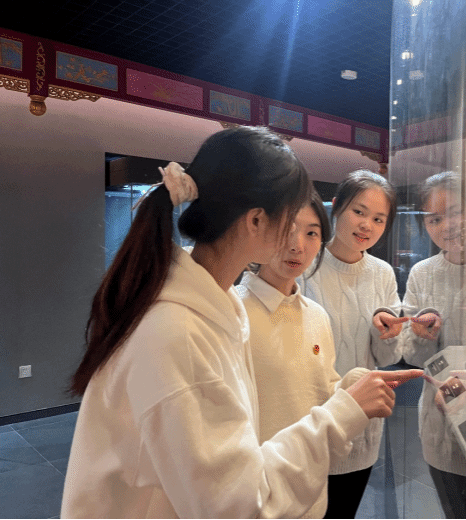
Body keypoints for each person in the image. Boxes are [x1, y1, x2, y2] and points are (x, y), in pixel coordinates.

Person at [61, 126, 421, 519]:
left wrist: (345, 394)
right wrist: (341, 414)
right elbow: (237, 504)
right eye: (291, 218)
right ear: (257, 220)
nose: (297, 241)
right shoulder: (178, 331)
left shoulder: (216, 306)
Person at [238, 189, 380, 518]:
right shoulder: (235, 313)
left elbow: (321, 392)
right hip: (257, 497)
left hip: (312, 491)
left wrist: (353, 387)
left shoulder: (315, 315)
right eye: (286, 230)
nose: (297, 245)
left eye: (312, 233)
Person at [298, 170, 408, 519]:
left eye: (378, 219)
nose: (366, 225)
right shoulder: (305, 264)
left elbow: (388, 357)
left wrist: (387, 333)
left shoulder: (383, 273)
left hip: (361, 422)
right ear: (336, 207)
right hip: (310, 418)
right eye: (359, 212)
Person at [401, 171, 466, 519]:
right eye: (434, 219)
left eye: (455, 212)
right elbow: (412, 356)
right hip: (439, 418)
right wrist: (421, 335)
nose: (447, 225)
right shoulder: (422, 273)